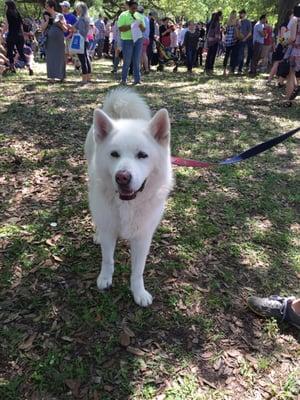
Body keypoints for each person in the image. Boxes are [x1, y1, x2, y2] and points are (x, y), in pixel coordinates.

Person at [117, 0, 145, 85]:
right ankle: (123, 79)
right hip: (127, 40)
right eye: (133, 8)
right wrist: (131, 26)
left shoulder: (139, 15)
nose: (135, 10)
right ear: (129, 7)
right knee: (127, 60)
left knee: (136, 60)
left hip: (138, 39)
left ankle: (137, 79)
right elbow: (120, 28)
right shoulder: (123, 15)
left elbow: (144, 29)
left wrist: (140, 25)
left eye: (136, 8)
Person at [41, 0, 68, 82]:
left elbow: (65, 29)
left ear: (52, 7)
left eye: (47, 6)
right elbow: (42, 28)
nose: (45, 8)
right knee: (50, 57)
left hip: (59, 39)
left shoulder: (60, 15)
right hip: (49, 39)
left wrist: (60, 23)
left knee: (60, 56)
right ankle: (52, 77)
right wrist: (48, 20)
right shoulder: (45, 15)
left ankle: (62, 76)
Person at [5, 0, 33, 75]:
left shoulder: (8, 13)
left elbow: (6, 25)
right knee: (21, 52)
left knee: (10, 51)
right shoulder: (17, 13)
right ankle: (29, 67)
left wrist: (1, 34)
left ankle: (12, 67)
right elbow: (21, 25)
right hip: (20, 35)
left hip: (11, 35)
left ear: (8, 6)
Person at [267, 11, 292, 86]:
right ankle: (269, 80)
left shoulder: (291, 26)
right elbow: (281, 38)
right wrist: (286, 45)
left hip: (287, 47)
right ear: (289, 16)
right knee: (277, 63)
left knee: (283, 64)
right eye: (292, 15)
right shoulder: (284, 25)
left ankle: (280, 81)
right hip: (282, 47)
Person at [283, 4, 300, 107]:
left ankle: (288, 100)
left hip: (295, 51)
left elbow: (291, 37)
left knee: (291, 75)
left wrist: (281, 41)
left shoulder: (294, 20)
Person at [71, 2, 91, 84]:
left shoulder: (82, 19)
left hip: (81, 41)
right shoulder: (83, 18)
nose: (76, 10)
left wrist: (75, 30)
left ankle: (84, 79)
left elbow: (82, 32)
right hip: (85, 41)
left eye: (78, 9)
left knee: (83, 60)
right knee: (86, 59)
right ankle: (88, 77)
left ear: (82, 10)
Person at [60, 1, 77, 65]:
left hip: (70, 38)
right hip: (61, 38)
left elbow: (75, 29)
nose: (61, 7)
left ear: (67, 7)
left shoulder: (73, 17)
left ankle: (77, 66)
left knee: (72, 53)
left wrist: (68, 36)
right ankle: (64, 67)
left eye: (63, 6)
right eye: (61, 6)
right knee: (64, 53)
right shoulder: (60, 16)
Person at [223, 10, 239, 75]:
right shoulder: (236, 21)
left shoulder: (228, 22)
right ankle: (230, 70)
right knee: (232, 56)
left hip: (229, 41)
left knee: (227, 55)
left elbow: (226, 31)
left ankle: (225, 70)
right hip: (233, 40)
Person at [237, 9, 252, 73]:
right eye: (240, 13)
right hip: (237, 40)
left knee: (242, 54)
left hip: (244, 41)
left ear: (244, 14)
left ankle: (240, 68)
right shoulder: (238, 21)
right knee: (238, 54)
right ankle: (236, 67)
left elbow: (250, 32)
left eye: (241, 13)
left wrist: (245, 39)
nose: (240, 14)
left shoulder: (248, 22)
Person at [137, 5, 150, 74]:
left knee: (141, 54)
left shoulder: (140, 18)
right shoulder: (146, 18)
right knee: (143, 54)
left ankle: (142, 69)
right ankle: (143, 69)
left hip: (141, 38)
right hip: (146, 38)